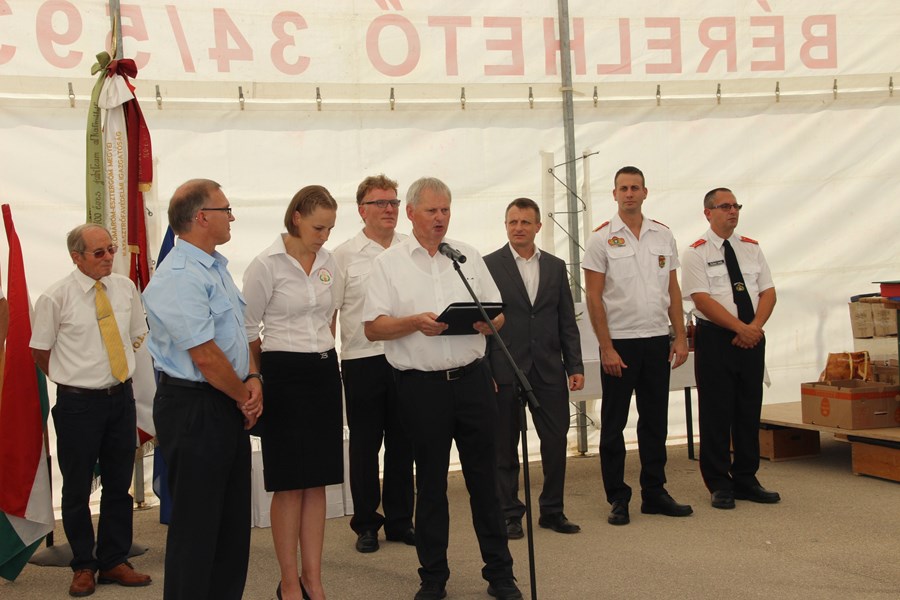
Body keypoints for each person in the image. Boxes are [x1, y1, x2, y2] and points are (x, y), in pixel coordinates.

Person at [363, 177, 522, 600]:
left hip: (473, 381)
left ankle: (500, 575)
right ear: (410, 213)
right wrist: (414, 322)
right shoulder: (388, 264)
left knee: (485, 483)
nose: (440, 218)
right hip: (422, 388)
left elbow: (498, 313)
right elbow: (373, 328)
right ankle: (433, 577)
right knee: (431, 485)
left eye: (445, 210)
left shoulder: (466, 256)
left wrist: (489, 321)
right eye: (431, 210)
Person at [143, 179, 263, 600]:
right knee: (197, 530)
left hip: (227, 399)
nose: (232, 217)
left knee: (231, 528)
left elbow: (238, 337)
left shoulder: (216, 268)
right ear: (201, 217)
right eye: (225, 209)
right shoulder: (178, 276)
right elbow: (206, 356)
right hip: (195, 406)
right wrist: (243, 396)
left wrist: (253, 379)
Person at [30, 224, 152, 597]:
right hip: (78, 404)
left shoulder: (125, 289)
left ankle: (114, 559)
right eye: (99, 252)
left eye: (111, 249)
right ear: (76, 257)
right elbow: (40, 350)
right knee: (77, 487)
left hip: (120, 398)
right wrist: (73, 378)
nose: (109, 257)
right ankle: (84, 563)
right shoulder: (55, 297)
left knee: (118, 484)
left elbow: (136, 333)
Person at [242, 185, 343, 600]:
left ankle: (312, 580)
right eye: (319, 227)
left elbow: (330, 315)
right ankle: (288, 583)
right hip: (281, 372)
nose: (324, 236)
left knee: (317, 482)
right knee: (288, 484)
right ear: (297, 217)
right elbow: (248, 329)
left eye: (330, 228)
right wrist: (256, 377)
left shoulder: (330, 262)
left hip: (323, 371)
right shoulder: (265, 265)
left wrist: (323, 353)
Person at [582, 166, 692, 527]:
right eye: (623, 188)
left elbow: (672, 288)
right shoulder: (601, 239)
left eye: (635, 187)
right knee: (614, 425)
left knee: (655, 421)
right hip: (621, 343)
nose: (629, 193)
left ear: (645, 192)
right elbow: (594, 297)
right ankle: (618, 497)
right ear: (614, 194)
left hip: (657, 340)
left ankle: (654, 492)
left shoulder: (663, 234)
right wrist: (606, 347)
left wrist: (680, 336)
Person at [484, 197, 584, 540]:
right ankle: (510, 514)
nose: (518, 228)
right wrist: (487, 370)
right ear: (505, 225)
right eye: (513, 222)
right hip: (505, 368)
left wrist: (574, 365)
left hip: (548, 369)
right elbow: (482, 323)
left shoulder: (555, 266)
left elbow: (566, 320)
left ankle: (552, 511)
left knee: (555, 442)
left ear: (538, 226)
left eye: (525, 222)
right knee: (505, 447)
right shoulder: (488, 265)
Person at [681, 187, 779, 509]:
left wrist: (754, 328)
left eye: (736, 206)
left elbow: (768, 292)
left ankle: (747, 478)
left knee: (748, 410)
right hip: (716, 339)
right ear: (708, 213)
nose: (733, 211)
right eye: (725, 206)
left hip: (752, 337)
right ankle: (719, 483)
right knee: (717, 412)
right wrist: (740, 328)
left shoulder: (751, 248)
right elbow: (701, 300)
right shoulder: (696, 252)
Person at [333, 175, 415, 554]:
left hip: (406, 358)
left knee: (403, 443)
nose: (389, 209)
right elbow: (330, 312)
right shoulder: (343, 255)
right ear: (361, 210)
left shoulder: (411, 249)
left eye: (394, 202)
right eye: (380, 203)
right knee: (365, 446)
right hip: (361, 361)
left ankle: (400, 521)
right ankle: (366, 523)